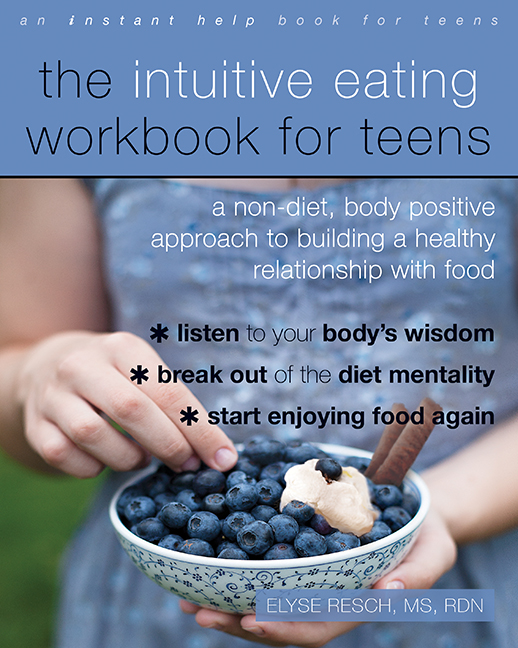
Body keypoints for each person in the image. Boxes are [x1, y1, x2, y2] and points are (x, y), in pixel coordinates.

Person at [0, 177, 517, 648]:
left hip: (449, 564)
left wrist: (441, 508)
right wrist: (35, 374)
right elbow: (19, 373)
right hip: (170, 575)